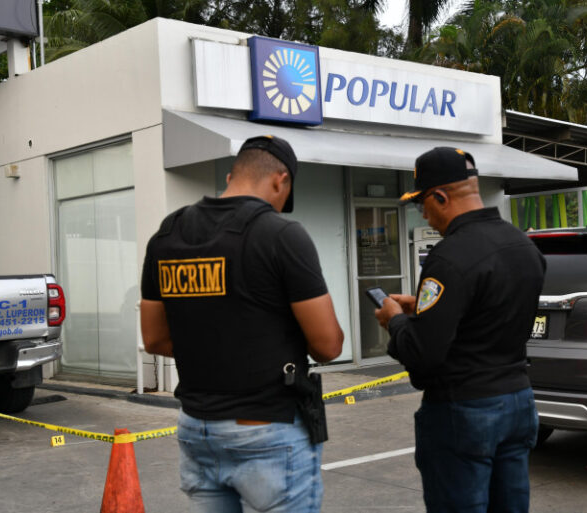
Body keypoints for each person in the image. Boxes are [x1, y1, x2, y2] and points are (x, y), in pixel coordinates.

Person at [140, 135, 344, 513]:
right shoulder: (281, 235)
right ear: (280, 180)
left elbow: (153, 339)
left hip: (196, 427)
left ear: (233, 174)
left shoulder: (168, 234)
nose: (281, 206)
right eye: (285, 194)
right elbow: (329, 345)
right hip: (265, 426)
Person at [374, 147, 546, 513]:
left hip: (465, 410)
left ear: (440, 196)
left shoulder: (449, 256)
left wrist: (397, 321)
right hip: (519, 400)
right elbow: (484, 314)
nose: (424, 213)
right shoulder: (523, 245)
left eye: (423, 203)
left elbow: (423, 355)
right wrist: (420, 310)